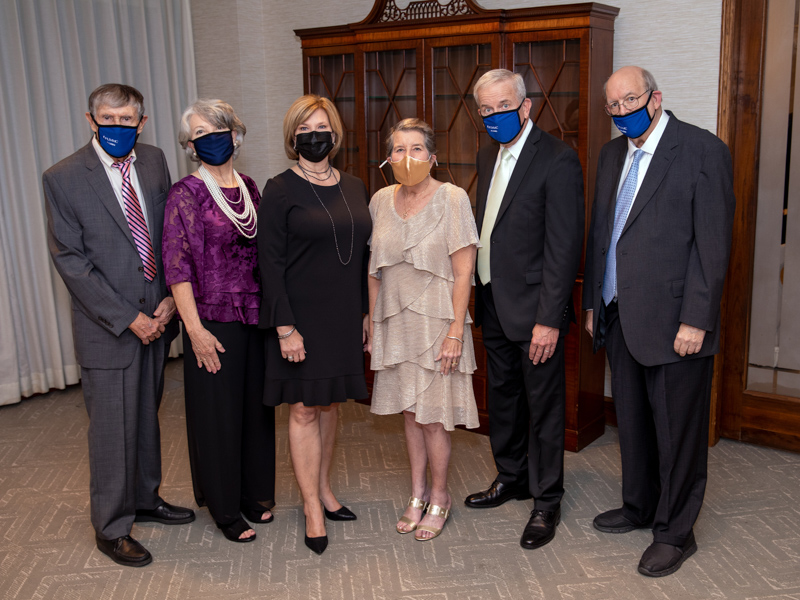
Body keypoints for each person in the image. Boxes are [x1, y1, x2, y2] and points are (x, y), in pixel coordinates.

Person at [584, 66, 735, 577]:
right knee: (632, 422)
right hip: (619, 313)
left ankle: (675, 531)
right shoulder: (610, 155)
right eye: (613, 105)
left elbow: (712, 248)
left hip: (677, 322)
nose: (622, 111)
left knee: (678, 432)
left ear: (655, 98)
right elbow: (602, 233)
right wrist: (591, 303)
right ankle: (639, 505)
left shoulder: (700, 150)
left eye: (630, 100)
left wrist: (697, 319)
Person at [43, 84, 194, 568]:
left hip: (159, 315)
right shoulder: (63, 177)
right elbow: (72, 262)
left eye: (126, 120)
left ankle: (146, 499)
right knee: (111, 429)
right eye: (107, 118)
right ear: (91, 120)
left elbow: (169, 232)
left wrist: (171, 296)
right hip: (108, 327)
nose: (116, 127)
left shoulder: (152, 161)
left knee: (146, 417)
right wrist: (129, 318)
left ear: (141, 122)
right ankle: (111, 527)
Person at [465, 69, 585, 551]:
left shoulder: (558, 159)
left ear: (526, 105)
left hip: (536, 310)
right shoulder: (485, 154)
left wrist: (549, 319)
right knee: (505, 399)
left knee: (544, 407)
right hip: (492, 300)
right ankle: (511, 477)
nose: (495, 117)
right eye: (486, 110)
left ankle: (546, 498)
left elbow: (563, 247)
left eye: (503, 106)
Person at [258, 94, 372, 555]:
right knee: (304, 408)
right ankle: (310, 507)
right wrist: (285, 328)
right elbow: (269, 264)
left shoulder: (356, 185)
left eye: (321, 127)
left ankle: (325, 489)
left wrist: (365, 312)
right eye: (305, 130)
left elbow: (364, 256)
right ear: (293, 136)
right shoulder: (279, 188)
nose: (314, 135)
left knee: (329, 406)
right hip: (299, 320)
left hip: (343, 316)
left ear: (335, 133)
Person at [162, 99, 276, 544]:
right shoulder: (184, 193)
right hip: (211, 320)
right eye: (200, 133)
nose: (211, 138)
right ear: (190, 147)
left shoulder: (248, 185)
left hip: (254, 316)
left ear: (235, 134)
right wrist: (194, 331)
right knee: (219, 416)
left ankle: (252, 494)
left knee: (254, 410)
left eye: (218, 129)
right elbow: (177, 267)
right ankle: (226, 508)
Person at [367, 118, 480, 541]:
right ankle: (416, 495)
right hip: (395, 322)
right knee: (409, 415)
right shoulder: (379, 200)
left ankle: (440, 496)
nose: (407, 157)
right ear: (388, 157)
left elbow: (464, 270)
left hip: (438, 323)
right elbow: (374, 270)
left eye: (416, 149)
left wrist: (455, 331)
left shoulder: (452, 198)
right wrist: (373, 320)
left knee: (433, 418)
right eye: (398, 149)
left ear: (432, 157)